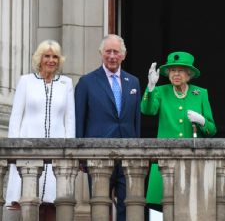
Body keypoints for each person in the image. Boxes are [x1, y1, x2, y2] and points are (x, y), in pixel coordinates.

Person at [75, 34, 141, 221]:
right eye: (108, 51)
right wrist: (81, 155)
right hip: (98, 155)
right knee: (100, 206)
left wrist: (137, 150)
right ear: (101, 54)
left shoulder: (133, 82)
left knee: (128, 206)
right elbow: (80, 119)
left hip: (128, 155)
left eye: (116, 52)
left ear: (123, 55)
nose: (112, 56)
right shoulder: (86, 82)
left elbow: (135, 121)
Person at [7, 40, 75, 218]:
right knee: (28, 202)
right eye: (47, 56)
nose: (51, 60)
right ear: (40, 58)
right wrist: (13, 151)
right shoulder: (26, 81)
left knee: (53, 203)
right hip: (28, 149)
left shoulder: (66, 83)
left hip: (57, 151)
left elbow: (69, 120)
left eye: (55, 56)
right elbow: (15, 118)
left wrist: (70, 151)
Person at [141, 51, 216, 206]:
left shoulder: (200, 93)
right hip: (166, 159)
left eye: (181, 70)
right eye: (172, 70)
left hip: (192, 159)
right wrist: (150, 87)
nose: (176, 74)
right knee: (168, 205)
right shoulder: (161, 91)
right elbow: (148, 110)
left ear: (189, 74)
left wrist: (202, 121)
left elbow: (212, 130)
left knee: (193, 207)